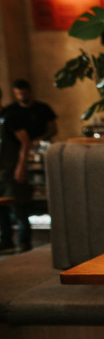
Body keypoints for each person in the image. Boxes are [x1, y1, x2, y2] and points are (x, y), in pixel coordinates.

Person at [0, 80, 56, 253]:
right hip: (3, 169)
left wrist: (21, 166)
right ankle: (6, 242)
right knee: (3, 208)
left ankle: (24, 242)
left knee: (20, 206)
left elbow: (25, 142)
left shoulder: (10, 116)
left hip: (13, 167)